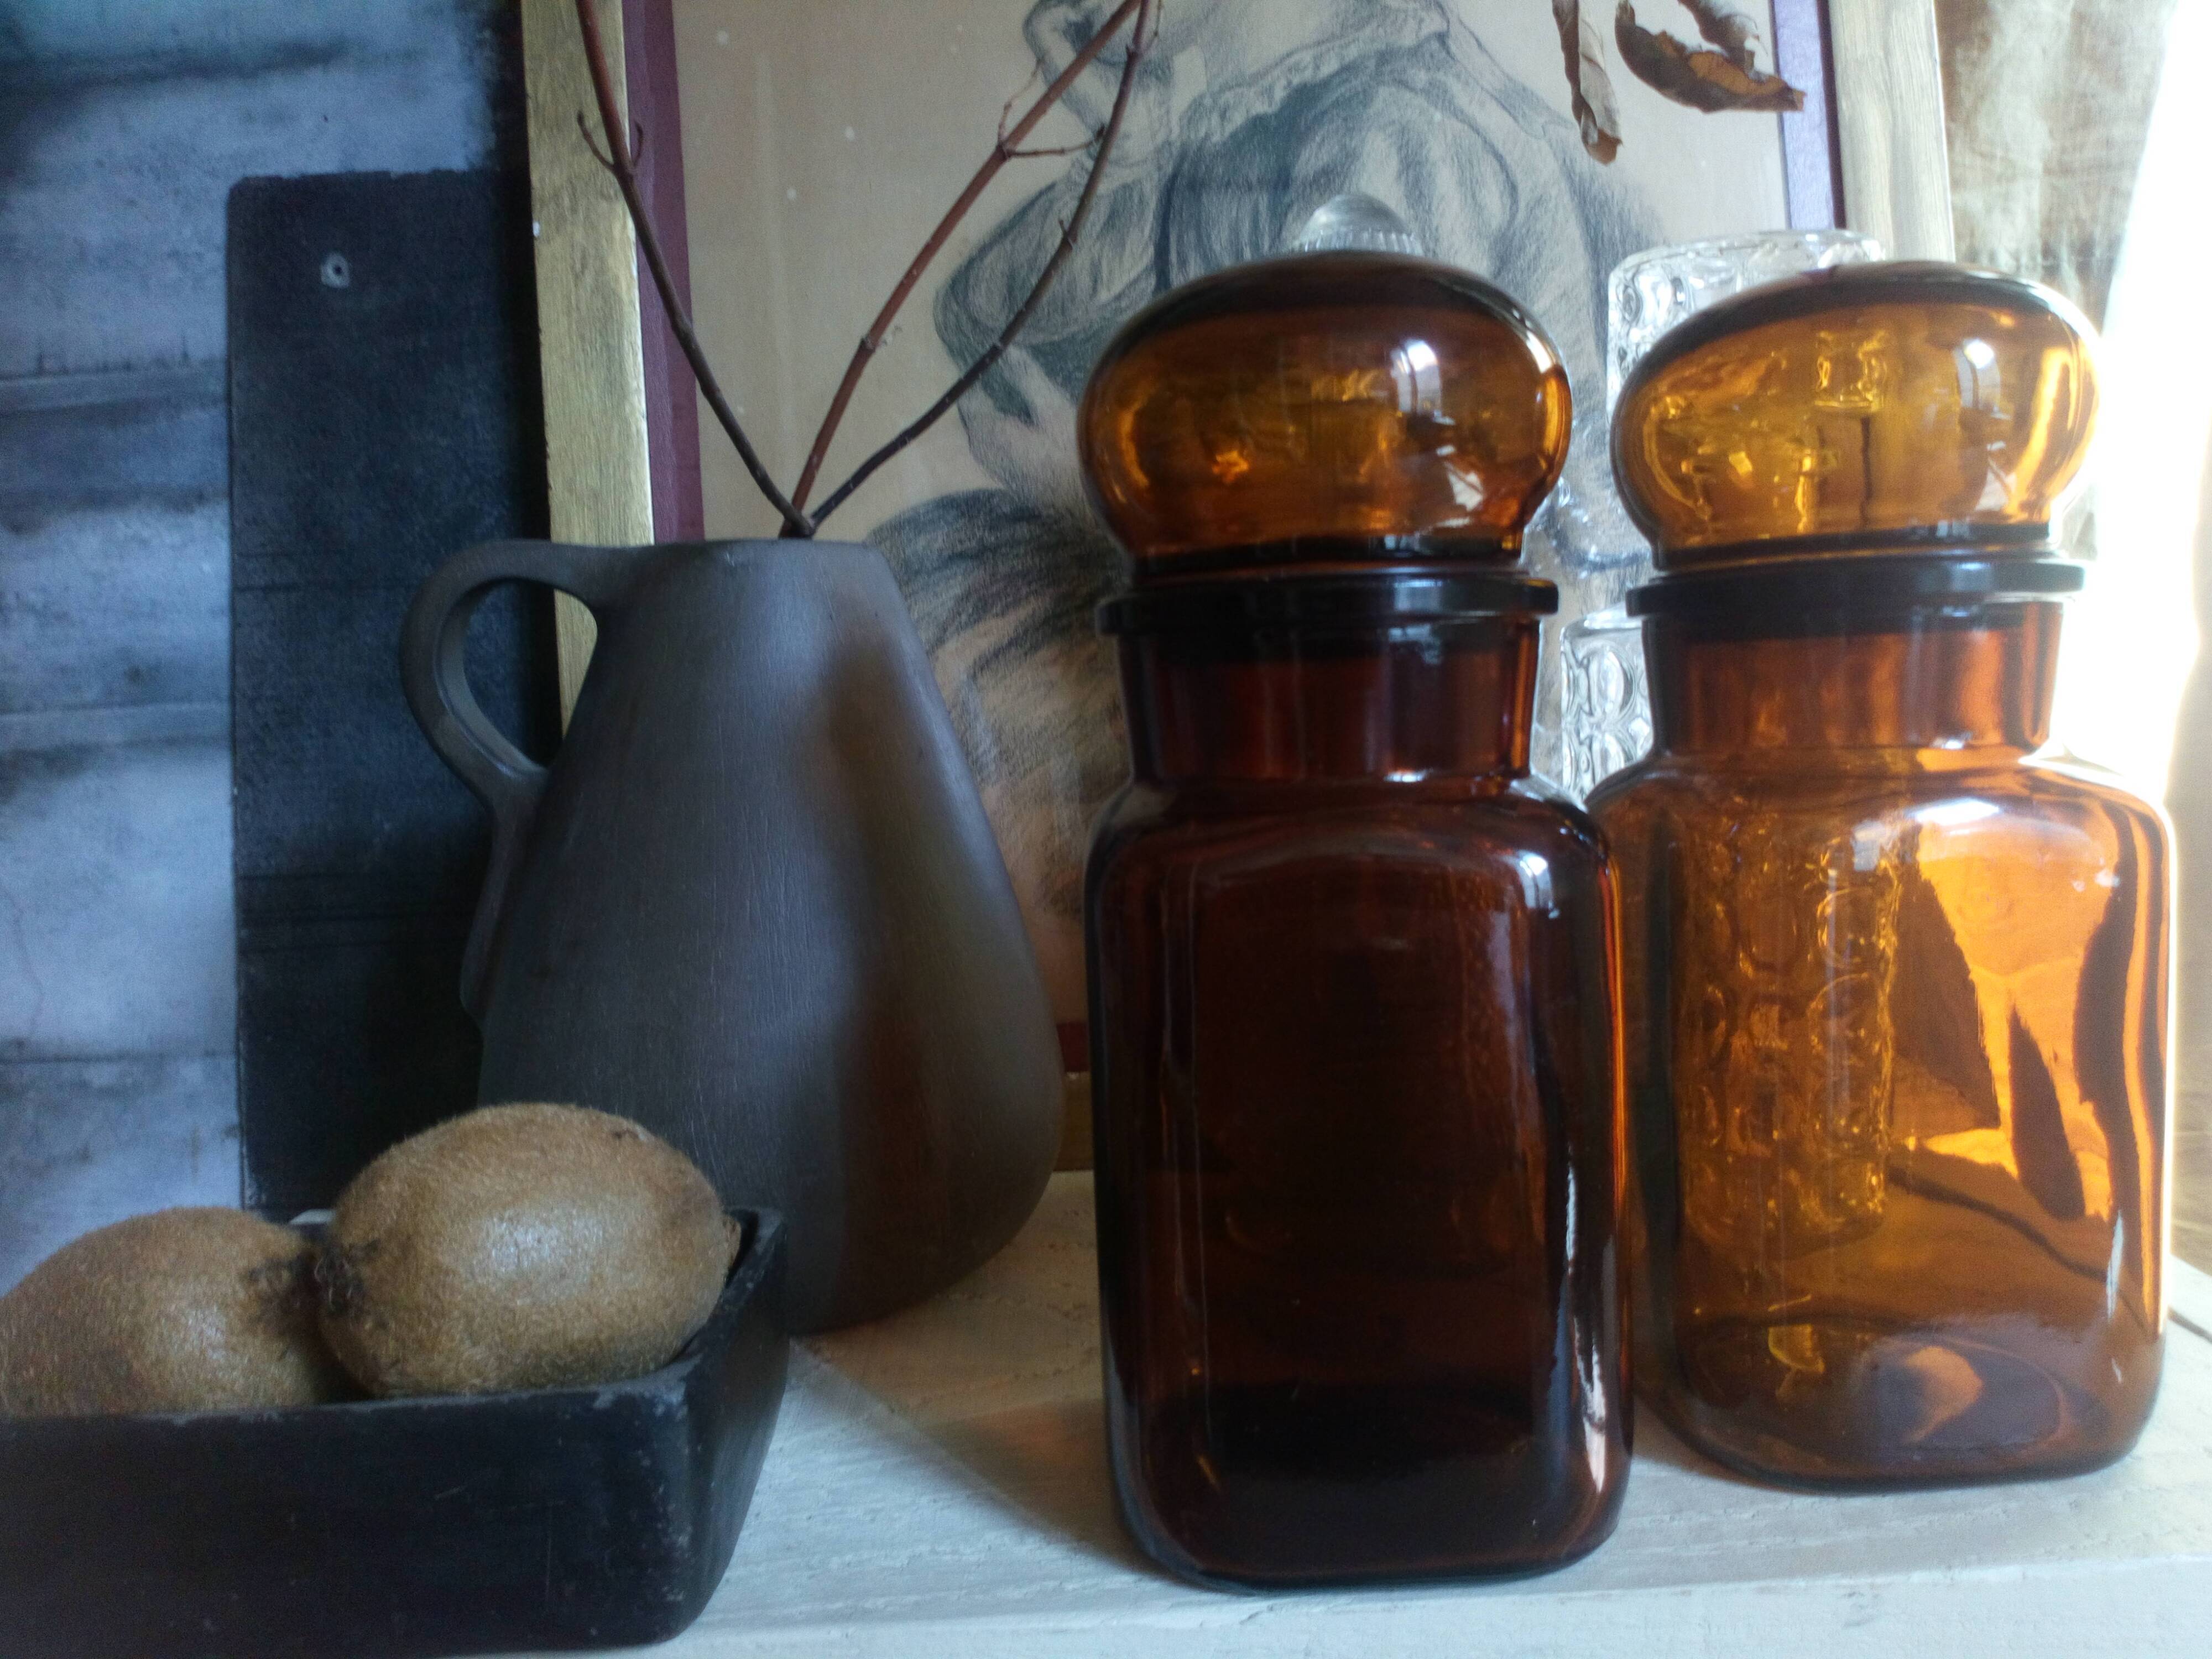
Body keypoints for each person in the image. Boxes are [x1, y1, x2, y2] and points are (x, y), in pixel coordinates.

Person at [872, 0, 1658, 1015]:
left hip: (1405, 704)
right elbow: (988, 316)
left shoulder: (1400, 124)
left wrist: (1071, 495)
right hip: (1291, 686)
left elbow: (1363, 498)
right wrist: (1125, 140)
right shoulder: (1246, 115)